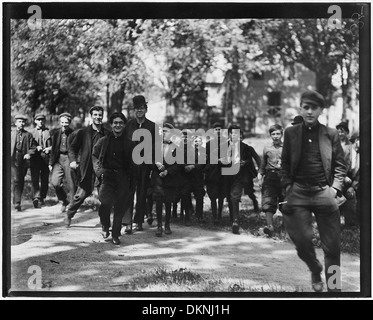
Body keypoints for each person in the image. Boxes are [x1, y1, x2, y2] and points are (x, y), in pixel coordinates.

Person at [280, 90, 346, 293]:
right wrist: (289, 187)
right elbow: (284, 164)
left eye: (313, 108)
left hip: (323, 192)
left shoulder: (331, 134)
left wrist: (335, 188)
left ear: (320, 110)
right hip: (298, 191)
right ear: (301, 108)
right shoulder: (291, 133)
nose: (309, 112)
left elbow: (340, 166)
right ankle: (315, 268)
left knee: (332, 248)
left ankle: (334, 290)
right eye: (305, 107)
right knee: (301, 241)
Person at [92, 112, 134, 245]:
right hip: (107, 176)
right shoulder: (103, 141)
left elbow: (133, 163)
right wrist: (100, 172)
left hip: (122, 177)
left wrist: (130, 180)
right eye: (115, 123)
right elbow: (94, 156)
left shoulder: (129, 143)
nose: (118, 125)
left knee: (120, 206)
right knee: (105, 203)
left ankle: (116, 234)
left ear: (124, 125)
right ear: (111, 125)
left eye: (121, 123)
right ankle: (105, 225)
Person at [64, 106, 110, 227]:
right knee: (81, 195)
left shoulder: (107, 134)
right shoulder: (83, 133)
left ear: (103, 116)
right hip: (87, 169)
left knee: (104, 196)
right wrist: (73, 161)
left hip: (101, 169)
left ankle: (104, 221)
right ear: (91, 116)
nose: (98, 117)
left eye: (100, 115)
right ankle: (69, 213)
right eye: (95, 115)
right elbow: (72, 148)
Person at [122, 95, 157, 232]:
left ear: (146, 109)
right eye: (136, 108)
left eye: (141, 108)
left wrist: (152, 167)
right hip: (130, 165)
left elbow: (155, 148)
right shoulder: (128, 125)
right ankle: (128, 222)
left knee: (142, 194)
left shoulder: (152, 126)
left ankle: (138, 221)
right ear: (133, 110)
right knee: (129, 193)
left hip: (145, 166)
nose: (139, 111)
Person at [221, 124, 254, 234]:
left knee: (235, 196)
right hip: (226, 175)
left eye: (237, 133)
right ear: (229, 134)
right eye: (232, 133)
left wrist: (245, 162)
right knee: (229, 197)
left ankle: (235, 221)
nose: (234, 135)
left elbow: (249, 160)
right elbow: (216, 158)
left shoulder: (244, 147)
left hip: (239, 175)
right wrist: (220, 160)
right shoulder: (223, 146)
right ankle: (232, 218)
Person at [150, 123, 181, 237]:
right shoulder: (155, 146)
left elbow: (178, 165)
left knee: (168, 202)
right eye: (162, 131)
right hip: (157, 178)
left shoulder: (177, 148)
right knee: (158, 201)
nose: (163, 133)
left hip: (170, 179)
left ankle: (167, 224)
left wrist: (167, 171)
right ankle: (159, 225)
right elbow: (148, 160)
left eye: (166, 131)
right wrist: (156, 163)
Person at [257, 124, 284, 237]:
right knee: (268, 201)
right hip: (270, 177)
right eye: (273, 134)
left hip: (283, 177)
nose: (276, 136)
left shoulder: (287, 148)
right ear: (270, 135)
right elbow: (263, 164)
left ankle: (285, 228)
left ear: (281, 134)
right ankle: (270, 226)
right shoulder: (267, 148)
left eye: (278, 133)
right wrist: (260, 175)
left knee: (285, 202)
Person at [49, 112, 77, 213]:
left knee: (71, 183)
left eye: (66, 122)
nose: (64, 124)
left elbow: (76, 149)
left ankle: (73, 205)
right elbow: (54, 149)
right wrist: (50, 163)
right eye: (62, 122)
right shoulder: (56, 133)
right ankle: (64, 200)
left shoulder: (74, 134)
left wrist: (75, 162)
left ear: (69, 122)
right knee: (55, 182)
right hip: (58, 159)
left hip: (69, 159)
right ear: (59, 122)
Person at [11, 114, 37, 211]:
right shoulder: (11, 133)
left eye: (23, 122)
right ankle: (17, 203)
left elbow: (33, 147)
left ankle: (16, 201)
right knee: (16, 180)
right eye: (19, 122)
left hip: (23, 159)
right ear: (15, 123)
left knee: (20, 180)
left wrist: (29, 153)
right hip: (13, 159)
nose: (21, 124)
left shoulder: (28, 135)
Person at [204, 122, 226, 224]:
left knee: (221, 196)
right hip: (211, 174)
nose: (218, 131)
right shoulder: (208, 144)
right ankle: (214, 217)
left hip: (222, 174)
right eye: (216, 130)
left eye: (220, 129)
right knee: (212, 196)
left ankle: (219, 215)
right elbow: (205, 158)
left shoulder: (226, 143)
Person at [336, 122, 356, 227]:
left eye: (342, 131)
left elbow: (353, 164)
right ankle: (335, 225)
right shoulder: (334, 145)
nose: (340, 133)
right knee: (335, 201)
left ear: (347, 132)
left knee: (349, 200)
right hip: (336, 177)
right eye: (338, 131)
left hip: (348, 177)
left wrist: (348, 177)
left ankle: (350, 225)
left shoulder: (351, 147)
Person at [29, 113, 52, 208]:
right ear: (35, 121)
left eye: (42, 120)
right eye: (38, 120)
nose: (40, 121)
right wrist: (36, 147)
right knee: (34, 177)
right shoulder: (31, 132)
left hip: (45, 157)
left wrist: (49, 149)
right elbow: (29, 145)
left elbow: (52, 145)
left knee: (44, 179)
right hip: (35, 157)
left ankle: (42, 197)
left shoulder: (48, 132)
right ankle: (36, 197)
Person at [240, 131, 261, 212]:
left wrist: (260, 170)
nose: (239, 138)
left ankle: (255, 204)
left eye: (241, 136)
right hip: (234, 173)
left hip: (246, 172)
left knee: (249, 190)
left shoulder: (248, 148)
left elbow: (257, 159)